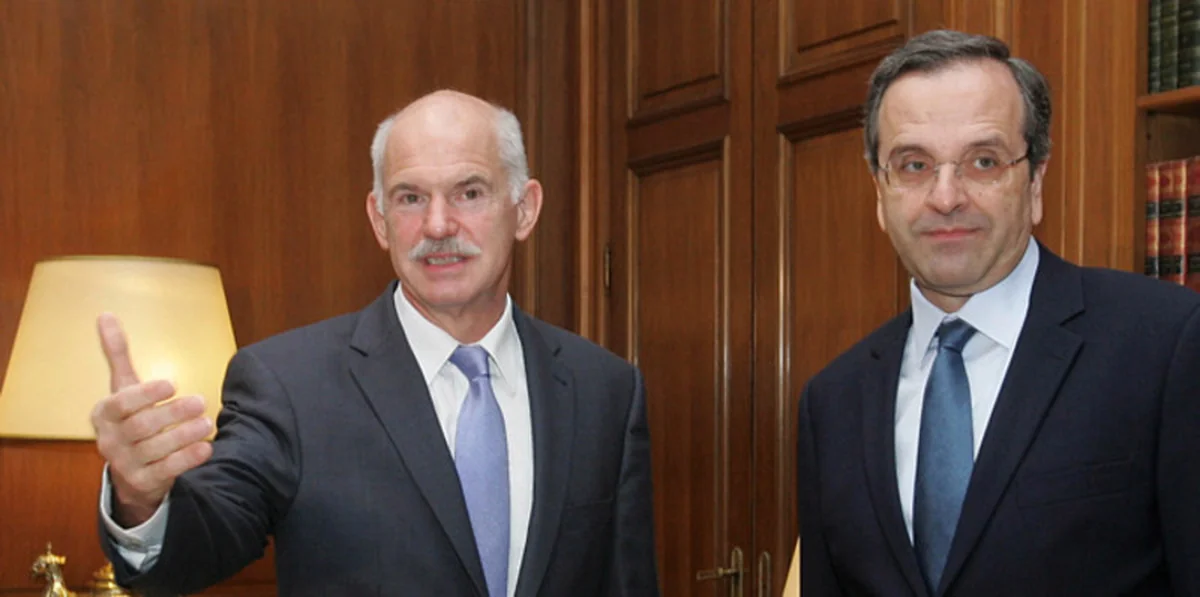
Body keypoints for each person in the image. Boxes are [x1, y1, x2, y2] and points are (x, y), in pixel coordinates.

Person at [91, 90, 661, 597]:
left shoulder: (605, 390)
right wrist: (141, 498)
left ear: (525, 209)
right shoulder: (290, 385)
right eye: (410, 198)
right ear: (380, 220)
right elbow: (205, 543)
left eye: (469, 192)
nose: (438, 225)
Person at [796, 30, 1200, 596]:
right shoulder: (832, 402)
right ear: (880, 194)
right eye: (913, 165)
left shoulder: (1167, 344)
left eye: (982, 161)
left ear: (1034, 183)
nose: (945, 197)